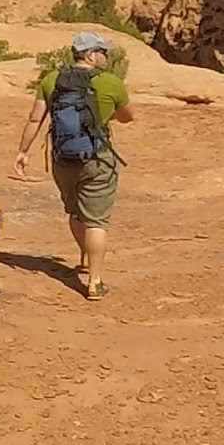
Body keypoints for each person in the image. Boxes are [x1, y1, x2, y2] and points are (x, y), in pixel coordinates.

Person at [12, 30, 134, 300]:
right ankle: (95, 281)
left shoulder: (51, 80)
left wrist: (23, 151)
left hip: (62, 160)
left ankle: (84, 258)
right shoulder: (110, 82)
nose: (105, 56)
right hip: (97, 159)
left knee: (76, 212)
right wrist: (106, 110)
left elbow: (35, 119)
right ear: (90, 55)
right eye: (102, 52)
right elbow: (127, 117)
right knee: (97, 221)